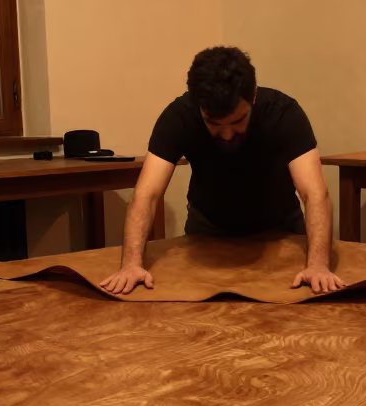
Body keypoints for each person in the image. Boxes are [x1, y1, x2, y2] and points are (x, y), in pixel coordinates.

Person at [100, 46, 345, 295]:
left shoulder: (283, 113)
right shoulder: (178, 116)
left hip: (280, 229)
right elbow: (146, 194)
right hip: (207, 230)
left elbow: (315, 194)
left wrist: (318, 265)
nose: (227, 134)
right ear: (198, 106)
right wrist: (131, 264)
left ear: (253, 98)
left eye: (238, 121)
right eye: (214, 124)